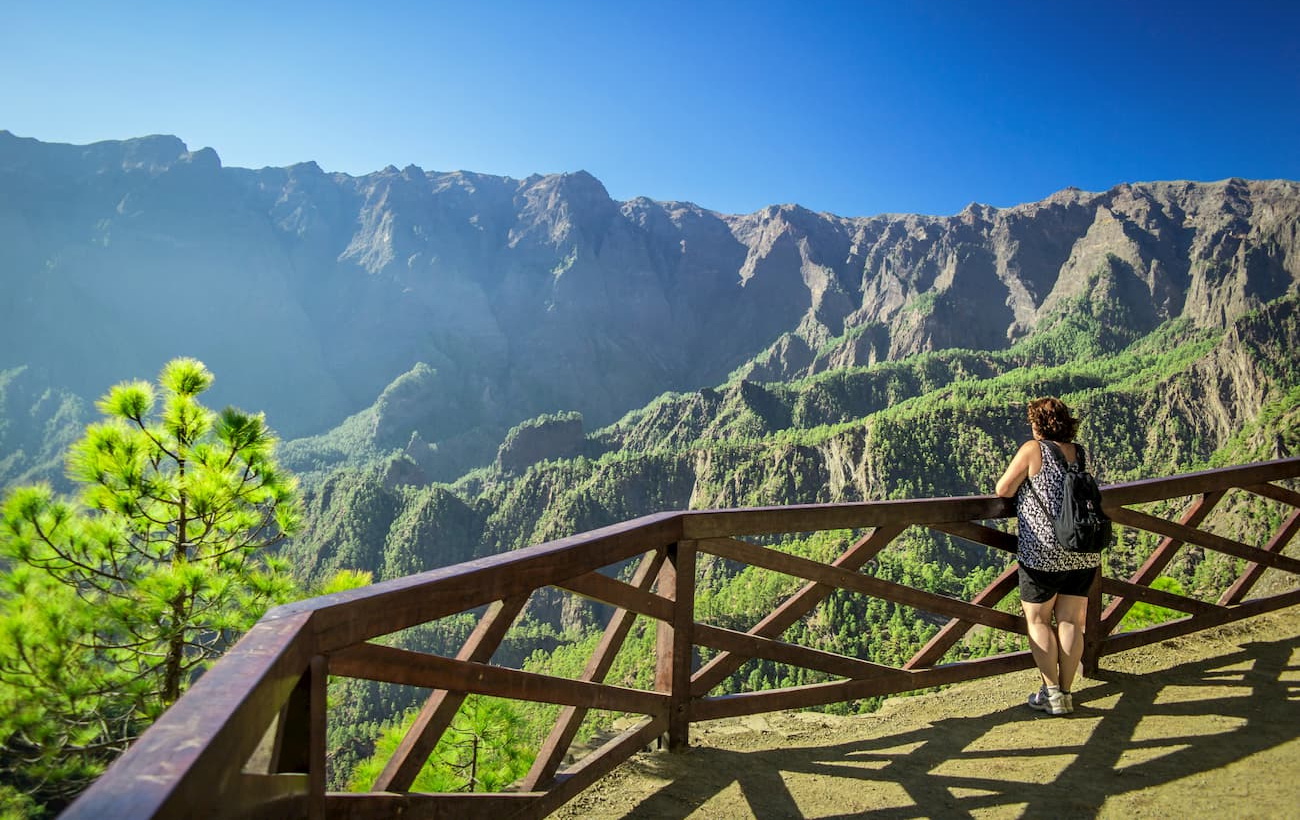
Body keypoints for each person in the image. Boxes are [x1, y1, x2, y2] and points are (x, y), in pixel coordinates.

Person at [995, 397, 1101, 716]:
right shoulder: (1078, 452)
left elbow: (1003, 489)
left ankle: (1051, 694)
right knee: (1071, 621)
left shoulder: (1033, 450)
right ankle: (1066, 693)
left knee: (1039, 620)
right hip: (1082, 549)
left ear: (1038, 424)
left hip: (1043, 552)